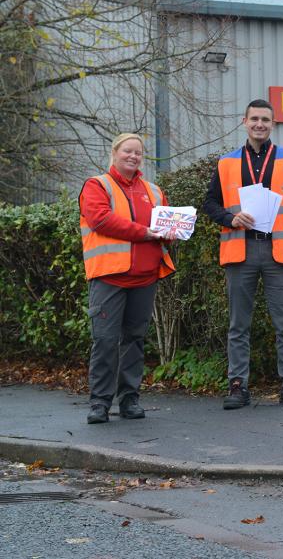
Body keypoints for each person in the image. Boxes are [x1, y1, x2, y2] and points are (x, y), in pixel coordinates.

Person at [202, 99, 283, 410]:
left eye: (265, 119)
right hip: (241, 249)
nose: (260, 124)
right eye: (254, 119)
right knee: (239, 324)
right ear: (245, 121)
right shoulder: (226, 163)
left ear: (273, 124)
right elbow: (209, 203)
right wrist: (229, 218)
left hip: (279, 251)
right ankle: (238, 385)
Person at [78, 133, 177, 424]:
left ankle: (130, 399)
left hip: (145, 277)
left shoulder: (154, 191)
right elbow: (100, 219)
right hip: (109, 277)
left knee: (134, 340)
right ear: (115, 153)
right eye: (127, 151)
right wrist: (145, 231)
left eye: (138, 153)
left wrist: (172, 233)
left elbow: (165, 227)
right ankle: (99, 403)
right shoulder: (97, 185)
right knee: (105, 341)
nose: (133, 157)